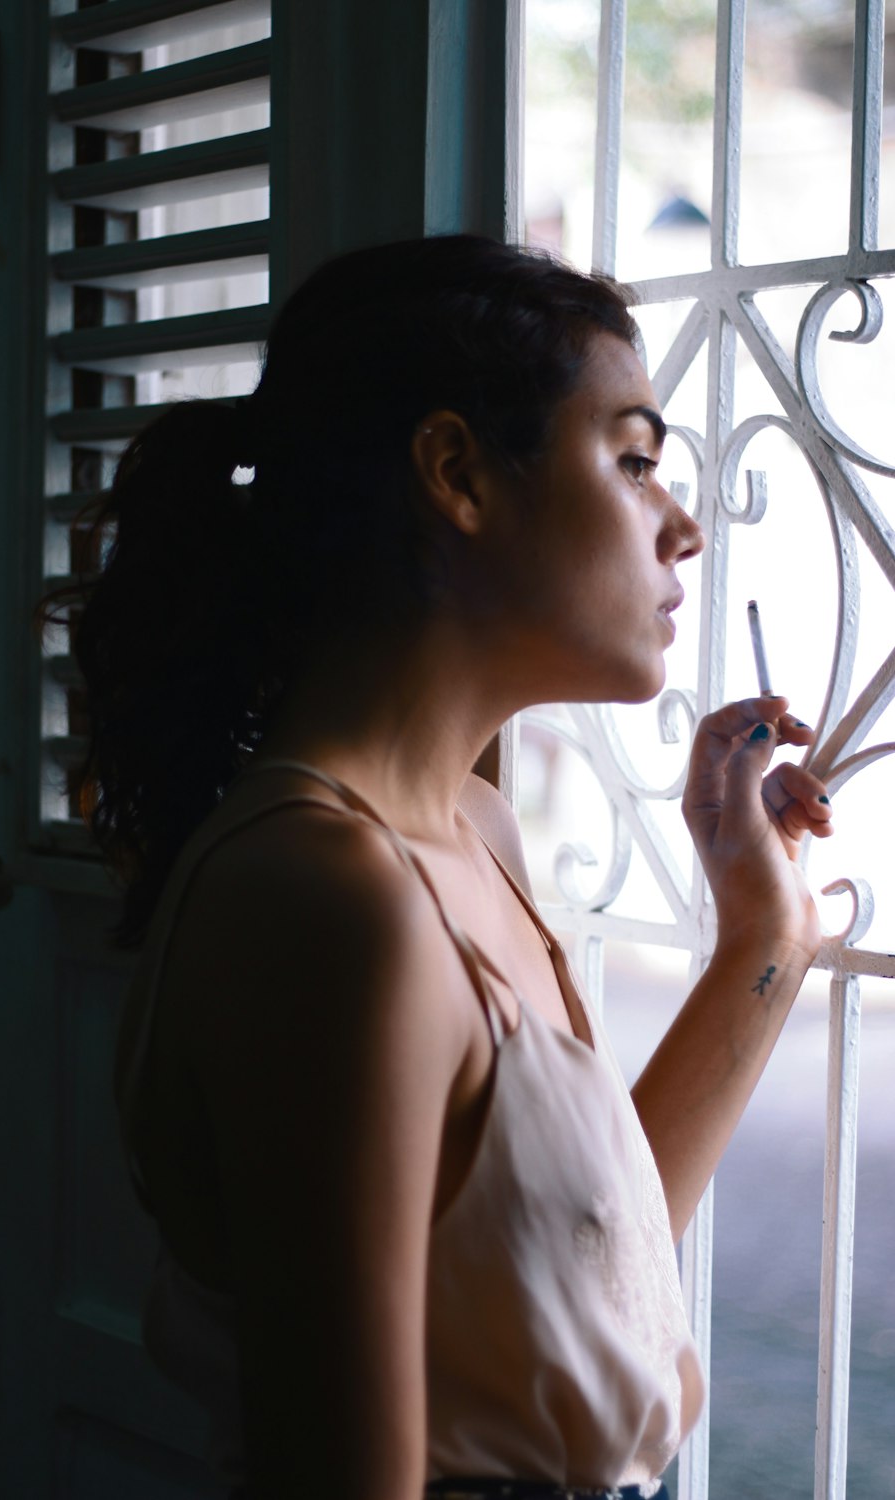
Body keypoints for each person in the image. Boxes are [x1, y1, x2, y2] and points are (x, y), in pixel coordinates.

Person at [70, 235, 832, 1500]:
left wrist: (762, 934)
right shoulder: (324, 895)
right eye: (636, 462)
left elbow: (588, 1277)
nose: (683, 529)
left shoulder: (470, 831)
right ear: (457, 474)